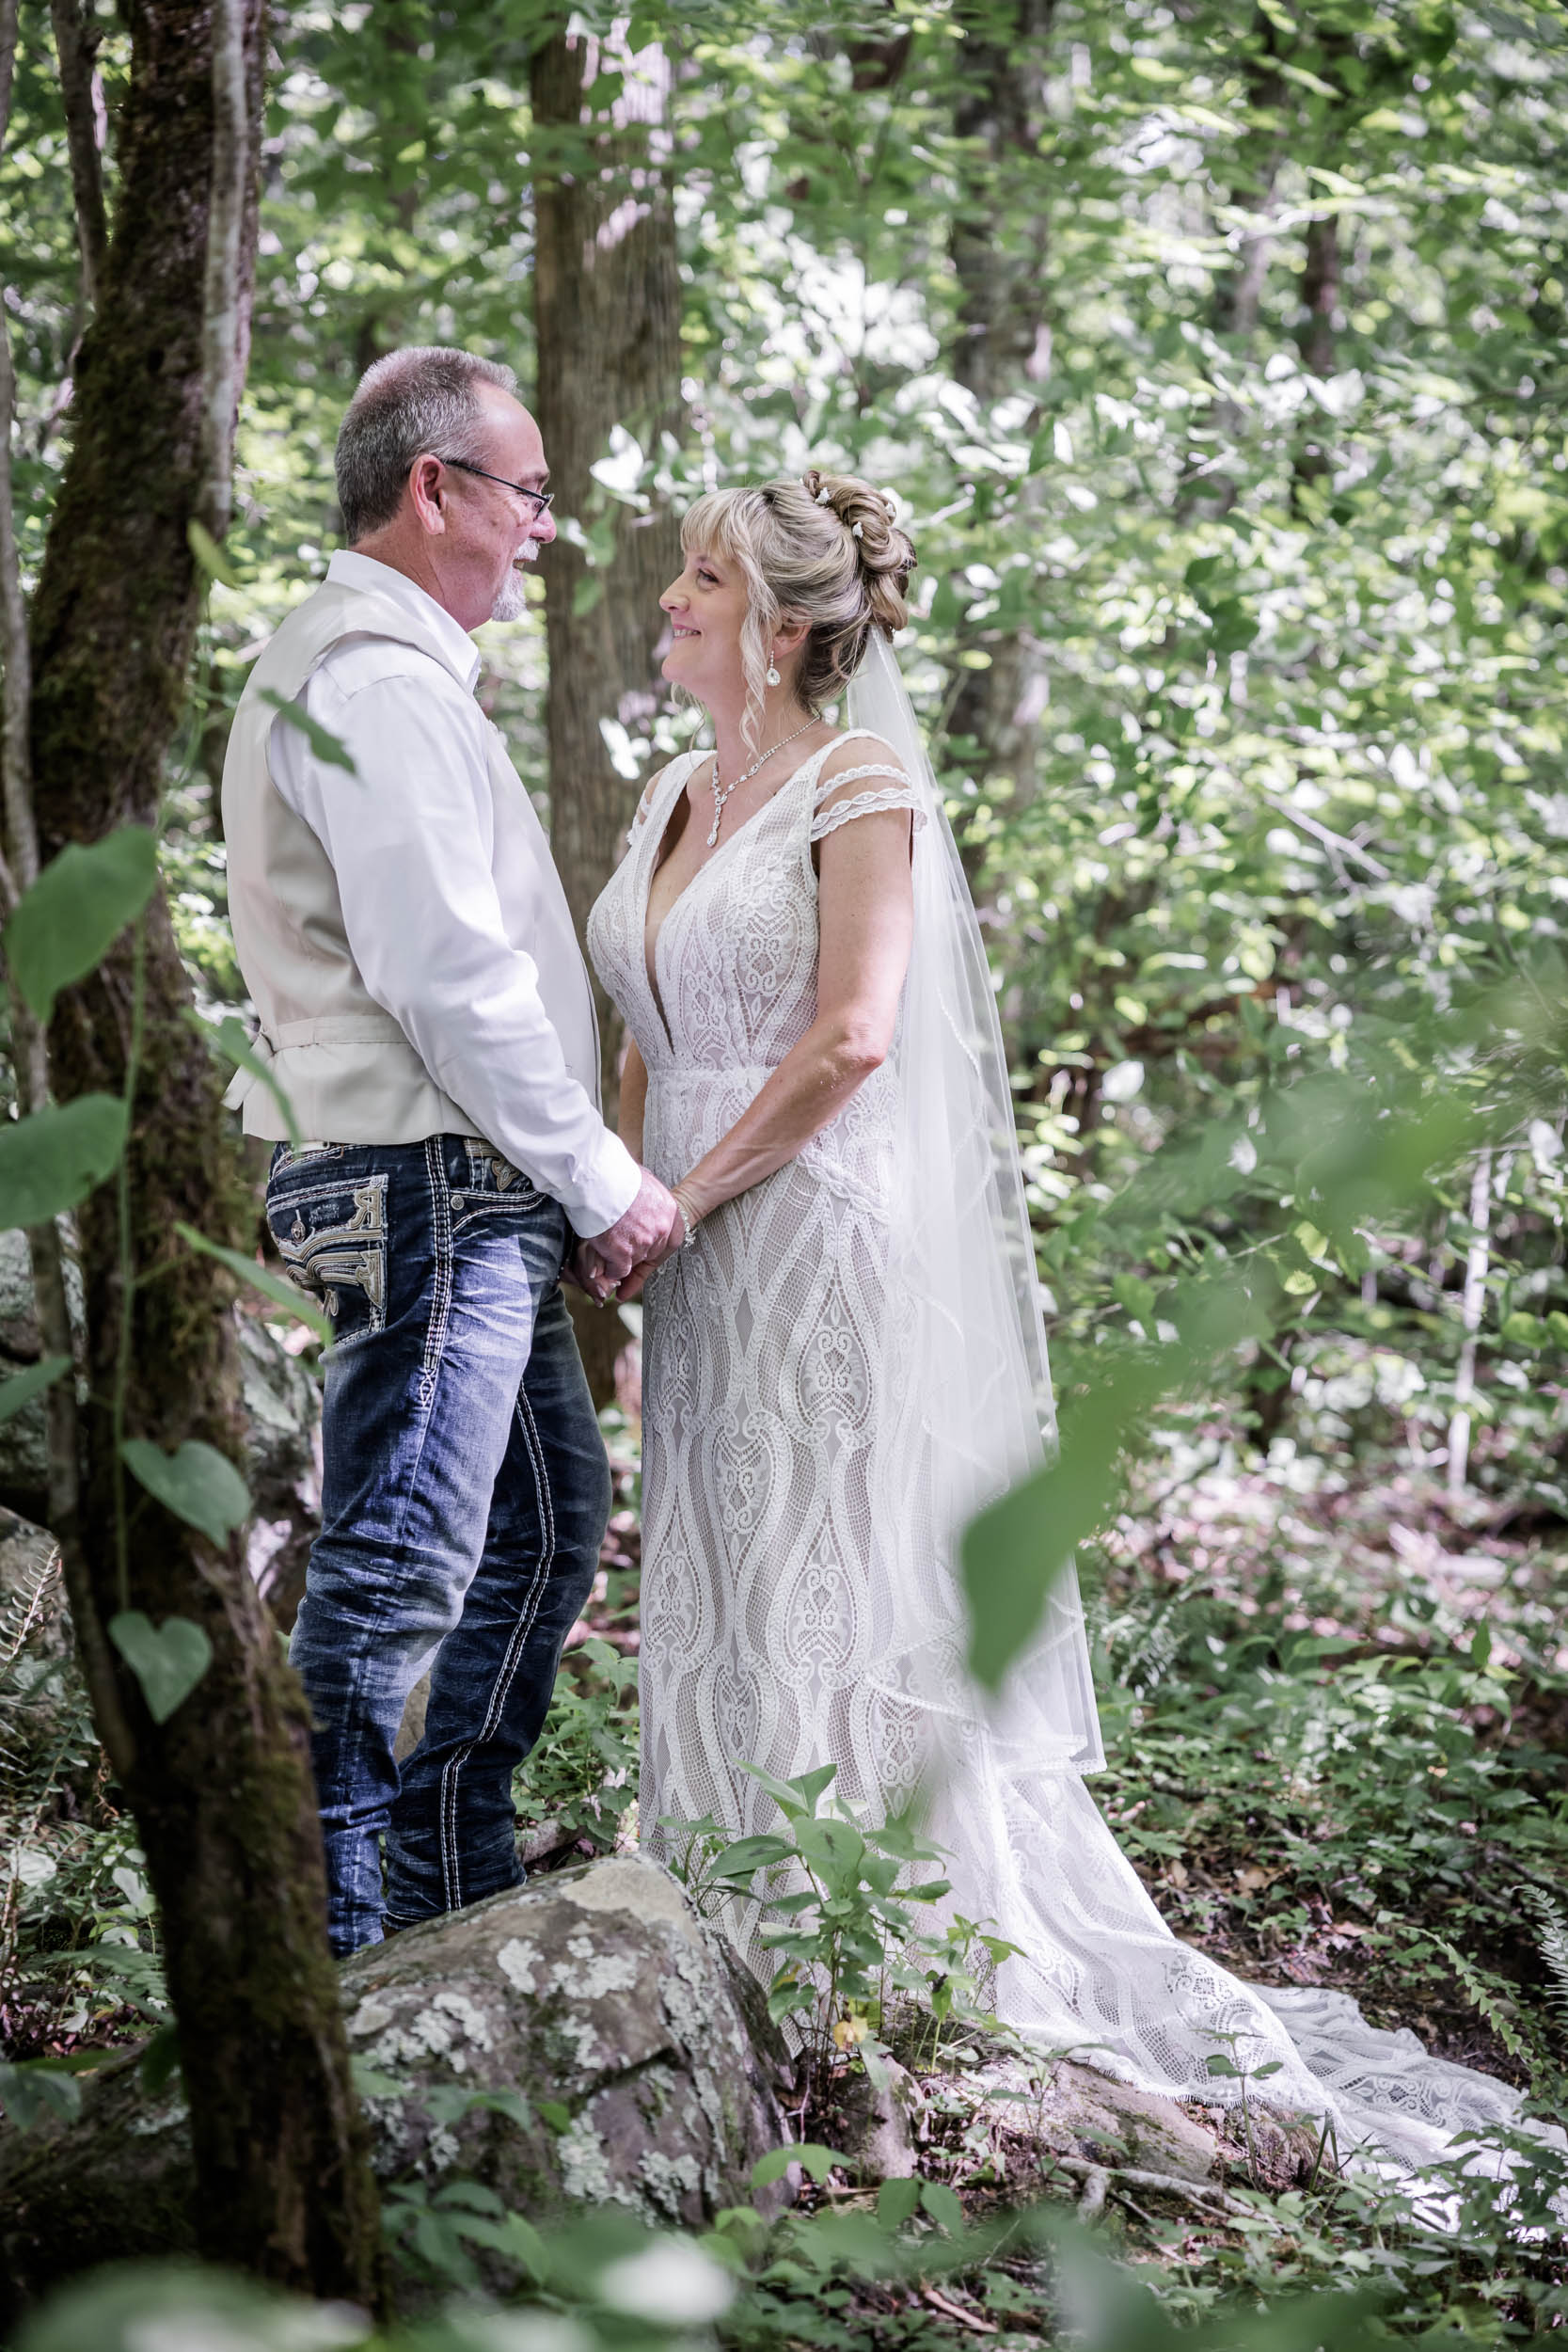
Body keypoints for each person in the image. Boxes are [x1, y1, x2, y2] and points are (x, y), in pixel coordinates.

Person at [584, 470, 1531, 2170]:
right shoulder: (668, 789)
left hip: (807, 1240)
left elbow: (853, 1036)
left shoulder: (856, 780)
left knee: (827, 1569)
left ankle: (858, 1963)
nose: (669, 597)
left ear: (788, 625)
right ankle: (722, 1909)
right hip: (686, 1255)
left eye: (703, 577)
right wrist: (615, 1197)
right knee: (715, 1565)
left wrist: (692, 1193)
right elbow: (644, 1021)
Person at [221, 345, 683, 1955]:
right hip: (427, 1172)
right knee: (394, 1578)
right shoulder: (373, 677)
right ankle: (334, 1978)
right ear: (437, 491)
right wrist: (604, 1177)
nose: (545, 531)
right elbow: (444, 974)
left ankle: (449, 1904)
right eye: (530, 495)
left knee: (549, 1531)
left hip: (458, 1182)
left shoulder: (380, 670)